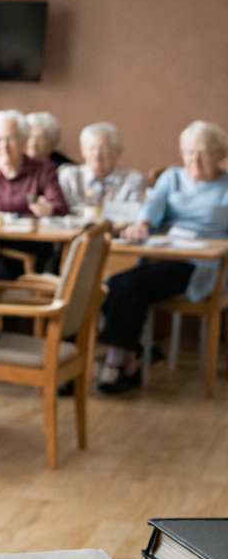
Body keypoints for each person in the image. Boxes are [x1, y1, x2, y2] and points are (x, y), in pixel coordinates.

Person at [96, 121, 228, 395]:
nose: (194, 159)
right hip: (162, 255)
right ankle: (131, 356)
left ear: (219, 155)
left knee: (129, 286)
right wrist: (142, 224)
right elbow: (152, 205)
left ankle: (117, 361)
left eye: (203, 153)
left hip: (201, 264)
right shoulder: (172, 178)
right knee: (112, 284)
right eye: (188, 152)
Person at [0, 109, 68, 277]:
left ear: (23, 141)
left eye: (11, 139)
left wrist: (49, 209)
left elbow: (60, 207)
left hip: (32, 245)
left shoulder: (43, 168)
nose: (4, 146)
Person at [58, 122, 145, 214]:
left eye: (103, 148)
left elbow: (137, 213)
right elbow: (59, 210)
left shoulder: (133, 180)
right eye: (91, 148)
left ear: (118, 151)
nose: (97, 154)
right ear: (82, 151)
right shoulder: (69, 177)